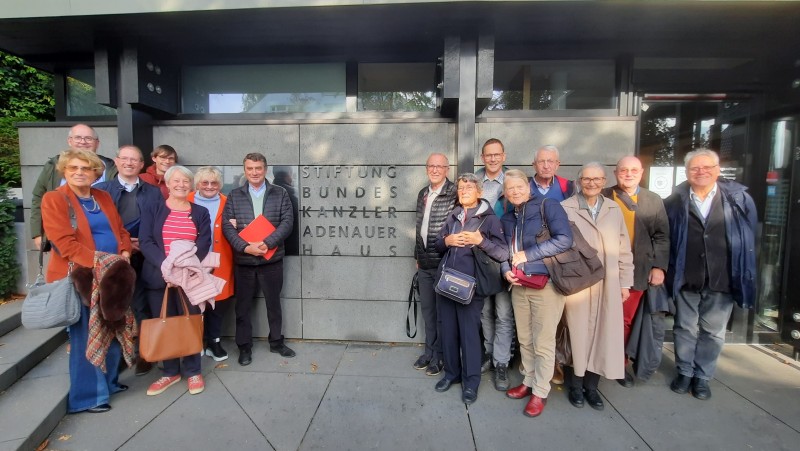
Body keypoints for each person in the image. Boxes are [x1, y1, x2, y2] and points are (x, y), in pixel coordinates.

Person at [41, 149, 133, 413]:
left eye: (85, 168)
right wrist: (103, 260)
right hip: (80, 278)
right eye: (73, 168)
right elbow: (64, 244)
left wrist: (125, 250)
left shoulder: (102, 196)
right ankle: (88, 397)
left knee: (113, 329)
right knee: (86, 336)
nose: (79, 173)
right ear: (64, 171)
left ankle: (110, 383)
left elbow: (121, 230)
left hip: (111, 277)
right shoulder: (55, 199)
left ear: (96, 172)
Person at [664, 149, 757, 401]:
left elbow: (749, 239)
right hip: (686, 275)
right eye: (695, 168)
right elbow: (667, 238)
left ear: (717, 170)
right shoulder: (675, 200)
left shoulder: (738, 199)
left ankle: (702, 376)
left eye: (707, 167)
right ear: (687, 172)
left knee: (713, 331)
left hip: (722, 276)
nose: (701, 172)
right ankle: (684, 371)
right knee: (684, 327)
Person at [500, 169, 573, 417]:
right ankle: (528, 381)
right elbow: (502, 251)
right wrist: (504, 270)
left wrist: (528, 255)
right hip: (519, 285)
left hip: (547, 285)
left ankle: (540, 391)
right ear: (505, 193)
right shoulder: (509, 217)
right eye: (510, 188)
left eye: (519, 186)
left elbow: (565, 239)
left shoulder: (548, 206)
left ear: (528, 186)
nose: (515, 191)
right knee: (525, 339)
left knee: (543, 342)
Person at [561, 162, 634, 411]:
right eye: (587, 179)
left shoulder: (614, 209)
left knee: (604, 333)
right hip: (579, 283)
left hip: (608, 283)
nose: (591, 183)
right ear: (579, 181)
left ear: (604, 181)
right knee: (577, 334)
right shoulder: (566, 208)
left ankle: (593, 388)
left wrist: (625, 282)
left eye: (597, 179)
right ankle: (576, 385)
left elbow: (624, 248)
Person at [433, 173, 509, 405]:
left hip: (471, 288)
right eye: (461, 187)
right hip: (447, 284)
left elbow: (503, 253)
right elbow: (436, 243)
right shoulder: (454, 215)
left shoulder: (489, 219)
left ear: (479, 192)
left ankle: (471, 382)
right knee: (449, 332)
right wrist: (447, 241)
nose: (464, 190)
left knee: (469, 336)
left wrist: (480, 241)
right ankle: (452, 374)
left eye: (469, 187)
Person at [139, 165, 211, 396]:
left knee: (190, 321)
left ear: (191, 185)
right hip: (158, 276)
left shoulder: (200, 212)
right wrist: (166, 268)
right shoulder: (153, 208)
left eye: (185, 181)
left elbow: (204, 243)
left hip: (189, 276)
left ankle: (193, 370)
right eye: (176, 181)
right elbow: (146, 241)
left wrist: (181, 270)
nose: (181, 185)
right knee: (165, 323)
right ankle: (170, 372)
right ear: (168, 184)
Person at [94, 145, 163, 376]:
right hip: (112, 258)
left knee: (142, 306)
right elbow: (99, 226)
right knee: (114, 308)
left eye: (135, 160)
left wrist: (142, 243)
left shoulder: (153, 192)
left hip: (143, 256)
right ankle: (120, 353)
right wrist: (124, 244)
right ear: (116, 161)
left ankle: (145, 354)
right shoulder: (102, 190)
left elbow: (158, 223)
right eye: (125, 159)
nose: (129, 163)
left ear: (142, 165)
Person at [222, 152, 296, 366]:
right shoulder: (234, 195)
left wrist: (268, 243)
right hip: (244, 261)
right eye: (250, 169)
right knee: (243, 307)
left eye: (258, 168)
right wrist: (245, 247)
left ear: (265, 169)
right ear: (245, 170)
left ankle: (276, 342)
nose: (254, 172)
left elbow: (287, 222)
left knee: (274, 304)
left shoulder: (280, 193)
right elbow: (227, 226)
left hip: (271, 260)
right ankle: (244, 347)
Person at [602, 155, 670, 387]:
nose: (628, 174)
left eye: (633, 170)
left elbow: (661, 236)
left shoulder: (653, 200)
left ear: (641, 173)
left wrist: (659, 266)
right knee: (600, 318)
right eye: (623, 170)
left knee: (625, 320)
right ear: (615, 173)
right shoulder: (603, 196)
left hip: (636, 271)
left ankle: (619, 364)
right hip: (603, 270)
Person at [31, 124, 117, 250]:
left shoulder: (110, 167)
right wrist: (37, 233)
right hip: (67, 244)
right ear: (69, 141)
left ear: (97, 143)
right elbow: (38, 197)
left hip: (105, 248)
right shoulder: (52, 166)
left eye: (88, 138)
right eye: (78, 138)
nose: (83, 142)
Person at [474, 138, 515, 390]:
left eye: (496, 154)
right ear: (482, 157)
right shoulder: (475, 181)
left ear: (503, 155)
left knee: (503, 312)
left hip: (506, 255)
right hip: (480, 255)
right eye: (488, 155)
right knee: (485, 311)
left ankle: (502, 361)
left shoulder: (514, 180)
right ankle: (489, 353)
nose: (492, 159)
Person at [412, 153, 457, 376]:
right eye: (431, 166)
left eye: (440, 166)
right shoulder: (423, 193)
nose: (435, 170)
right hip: (425, 263)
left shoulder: (454, 192)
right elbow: (419, 228)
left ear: (447, 169)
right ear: (426, 168)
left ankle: (439, 356)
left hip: (444, 263)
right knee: (428, 311)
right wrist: (417, 257)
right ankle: (429, 352)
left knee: (442, 314)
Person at [188, 166, 235, 361]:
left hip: (221, 259)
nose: (209, 186)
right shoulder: (186, 200)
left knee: (218, 303)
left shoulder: (228, 202)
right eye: (204, 182)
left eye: (214, 183)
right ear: (197, 184)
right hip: (192, 261)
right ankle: (195, 342)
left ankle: (214, 342)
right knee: (194, 303)